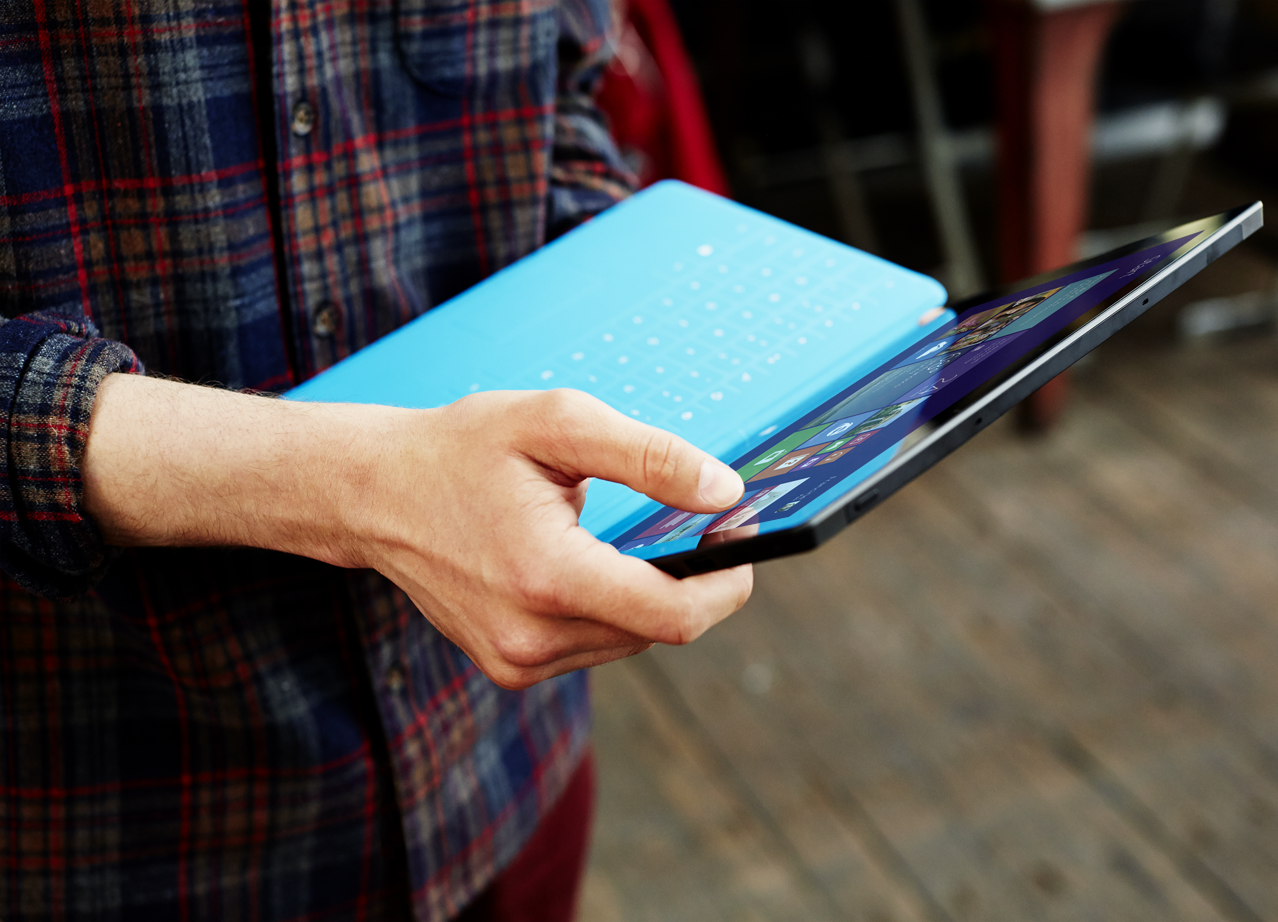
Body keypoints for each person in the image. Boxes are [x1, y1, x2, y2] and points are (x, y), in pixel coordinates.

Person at [0, 1, 752, 919]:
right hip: (122, 827)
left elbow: (561, 100)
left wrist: (668, 337)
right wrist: (355, 483)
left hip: (505, 775)